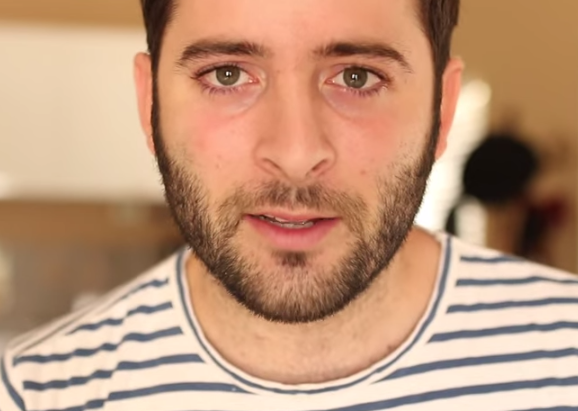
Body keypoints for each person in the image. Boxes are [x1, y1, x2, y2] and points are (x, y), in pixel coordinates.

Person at [1, 0, 577, 409]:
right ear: (149, 103)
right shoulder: (32, 393)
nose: (296, 154)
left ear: (442, 110)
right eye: (227, 74)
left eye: (357, 76)